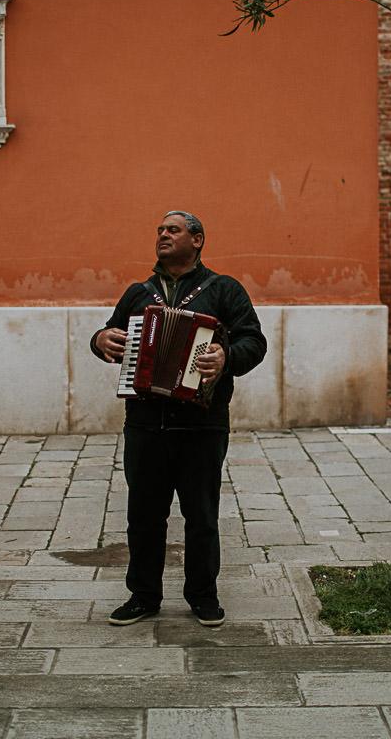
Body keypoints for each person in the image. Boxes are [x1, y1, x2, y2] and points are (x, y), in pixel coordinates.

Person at [91, 211, 266, 627]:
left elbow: (254, 342)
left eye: (173, 230)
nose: (163, 236)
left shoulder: (223, 290)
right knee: (143, 515)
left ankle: (203, 595)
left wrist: (226, 358)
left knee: (201, 514)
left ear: (198, 240)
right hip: (145, 423)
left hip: (202, 424)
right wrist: (101, 341)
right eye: (160, 231)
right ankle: (144, 595)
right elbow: (108, 335)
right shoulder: (140, 293)